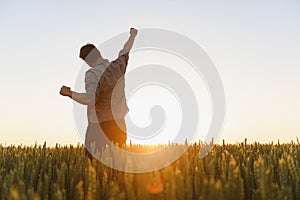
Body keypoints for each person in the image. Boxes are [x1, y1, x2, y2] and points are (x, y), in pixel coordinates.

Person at [60, 28, 138, 159]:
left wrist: (69, 93)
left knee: (92, 164)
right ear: (99, 52)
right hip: (119, 124)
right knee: (118, 163)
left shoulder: (92, 73)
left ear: (86, 61)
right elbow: (125, 50)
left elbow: (91, 98)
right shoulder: (118, 66)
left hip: (99, 127)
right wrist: (132, 36)